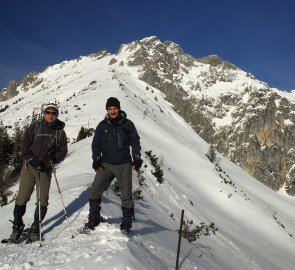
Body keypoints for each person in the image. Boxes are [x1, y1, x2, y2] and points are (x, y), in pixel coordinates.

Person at [9, 103, 68, 242]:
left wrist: (53, 158)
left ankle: (36, 226)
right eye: (48, 112)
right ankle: (17, 225)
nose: (51, 115)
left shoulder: (60, 132)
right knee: (22, 198)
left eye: (54, 113)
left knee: (42, 200)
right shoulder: (35, 127)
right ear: (44, 113)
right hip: (29, 168)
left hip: (45, 170)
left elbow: (62, 151)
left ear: (57, 115)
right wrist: (31, 159)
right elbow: (24, 146)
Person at [84, 97, 142, 233]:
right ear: (107, 110)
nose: (112, 111)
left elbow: (135, 141)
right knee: (94, 191)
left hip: (124, 164)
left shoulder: (128, 124)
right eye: (110, 109)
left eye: (115, 108)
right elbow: (96, 144)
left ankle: (126, 224)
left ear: (119, 108)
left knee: (126, 195)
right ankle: (94, 218)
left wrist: (137, 157)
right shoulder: (102, 126)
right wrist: (96, 159)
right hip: (106, 164)